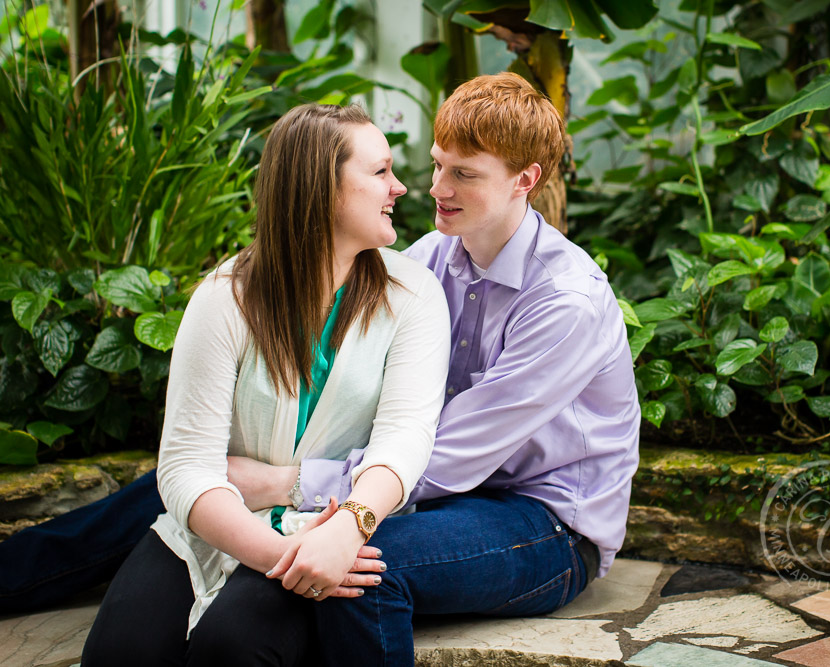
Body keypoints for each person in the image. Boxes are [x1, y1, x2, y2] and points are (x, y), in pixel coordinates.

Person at [1, 72, 640, 666]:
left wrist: (291, 482)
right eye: (438, 165)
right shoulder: (432, 258)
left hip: (543, 519)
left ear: (524, 180)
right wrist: (246, 485)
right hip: (431, 486)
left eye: (464, 175)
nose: (433, 190)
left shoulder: (566, 301)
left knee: (356, 562)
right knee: (191, 486)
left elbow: (451, 454)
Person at [79, 103, 451, 665]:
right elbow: (186, 467)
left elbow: (404, 440)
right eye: (380, 172)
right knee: (119, 655)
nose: (399, 187)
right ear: (319, 188)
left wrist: (347, 528)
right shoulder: (223, 296)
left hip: (338, 530)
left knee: (232, 647)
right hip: (217, 527)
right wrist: (285, 557)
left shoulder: (413, 295)